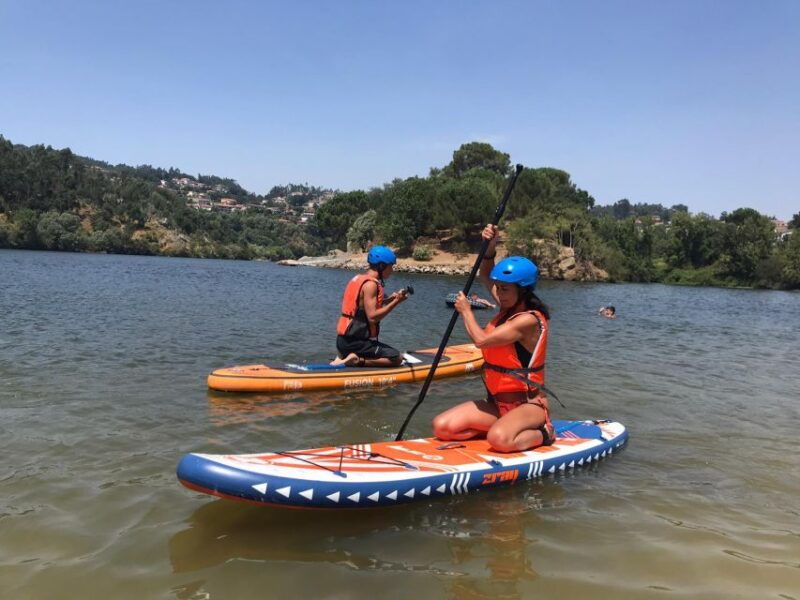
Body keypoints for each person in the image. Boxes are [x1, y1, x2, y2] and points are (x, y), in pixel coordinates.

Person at [432, 224, 555, 453]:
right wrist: (489, 246)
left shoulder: (527, 321)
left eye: (505, 289)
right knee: (442, 427)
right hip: (497, 405)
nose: (499, 293)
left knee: (499, 440)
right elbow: (485, 273)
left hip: (529, 406)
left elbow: (481, 340)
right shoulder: (508, 304)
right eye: (498, 288)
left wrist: (466, 311)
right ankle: (501, 428)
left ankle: (544, 432)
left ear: (523, 290)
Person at [331, 245, 410, 367]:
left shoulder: (358, 279)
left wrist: (390, 300)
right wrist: (396, 302)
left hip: (342, 342)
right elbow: (372, 317)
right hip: (357, 343)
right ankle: (358, 360)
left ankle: (343, 356)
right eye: (390, 266)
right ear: (381, 266)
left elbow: (362, 308)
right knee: (397, 358)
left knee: (386, 351)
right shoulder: (371, 285)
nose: (392, 270)